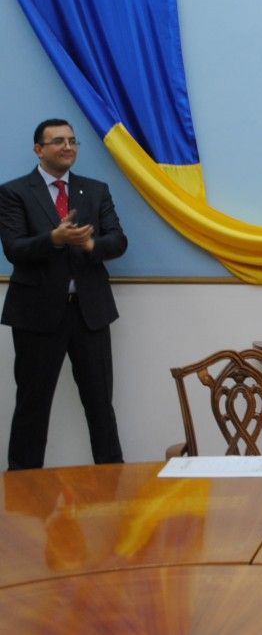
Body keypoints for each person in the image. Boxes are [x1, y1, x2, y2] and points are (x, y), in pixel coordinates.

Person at [0, 118, 128, 470]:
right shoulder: (14, 192)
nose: (68, 147)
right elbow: (14, 249)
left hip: (90, 313)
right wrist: (54, 239)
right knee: (32, 405)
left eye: (72, 141)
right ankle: (23, 488)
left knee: (100, 404)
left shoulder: (95, 190)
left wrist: (90, 244)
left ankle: (111, 482)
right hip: (37, 315)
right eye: (58, 141)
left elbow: (118, 241)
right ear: (39, 149)